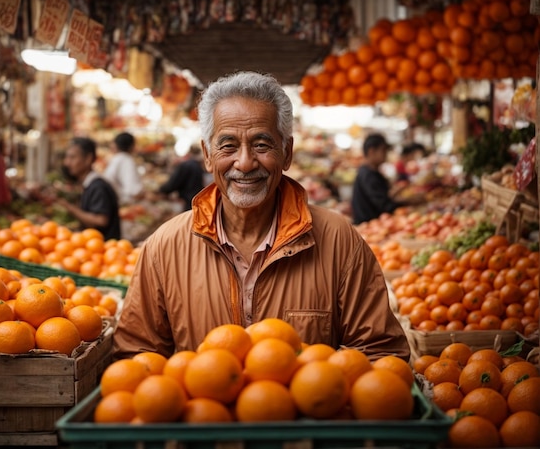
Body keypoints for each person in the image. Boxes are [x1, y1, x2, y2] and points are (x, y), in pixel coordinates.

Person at [113, 71, 409, 361]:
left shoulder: (337, 240)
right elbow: (138, 359)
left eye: (261, 145)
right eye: (228, 145)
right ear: (207, 155)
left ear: (287, 152)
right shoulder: (165, 247)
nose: (244, 163)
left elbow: (380, 355)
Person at [57, 137, 121, 241]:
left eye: (72, 158)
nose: (67, 163)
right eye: (67, 157)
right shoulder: (89, 184)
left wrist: (69, 207)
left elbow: (100, 221)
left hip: (102, 250)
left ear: (88, 159)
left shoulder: (98, 187)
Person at [351, 133, 422, 225]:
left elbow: (383, 197)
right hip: (370, 226)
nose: (386, 154)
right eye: (383, 150)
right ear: (372, 151)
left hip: (375, 224)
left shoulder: (371, 172)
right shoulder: (368, 175)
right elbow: (384, 205)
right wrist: (408, 203)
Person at [157, 144, 207, 211]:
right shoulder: (197, 165)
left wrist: (161, 190)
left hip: (188, 200)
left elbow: (173, 183)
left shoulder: (186, 165)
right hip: (197, 199)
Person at [102, 131, 144, 206]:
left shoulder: (116, 158)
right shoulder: (126, 160)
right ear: (132, 146)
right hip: (121, 204)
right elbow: (134, 191)